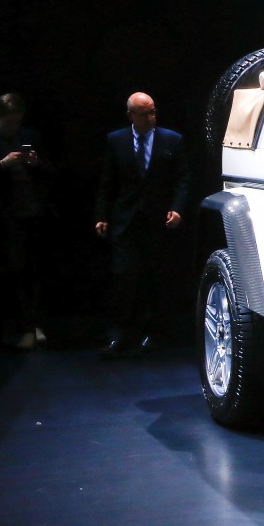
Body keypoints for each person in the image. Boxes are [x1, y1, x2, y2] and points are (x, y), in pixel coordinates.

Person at [94, 92, 190, 358]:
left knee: (155, 278)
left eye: (153, 112)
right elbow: (108, 181)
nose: (150, 118)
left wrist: (177, 208)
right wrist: (101, 214)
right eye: (144, 113)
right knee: (123, 276)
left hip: (157, 221)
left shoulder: (172, 140)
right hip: (126, 220)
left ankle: (155, 332)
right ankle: (121, 333)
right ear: (131, 115)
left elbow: (182, 179)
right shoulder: (117, 140)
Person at [0, 93, 54, 349]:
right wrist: (2, 164)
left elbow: (50, 172)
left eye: (18, 121)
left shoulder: (28, 137)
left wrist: (37, 163)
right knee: (14, 272)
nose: (14, 127)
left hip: (33, 213)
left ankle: (35, 325)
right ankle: (21, 327)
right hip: (3, 218)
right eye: (9, 122)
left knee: (36, 271)